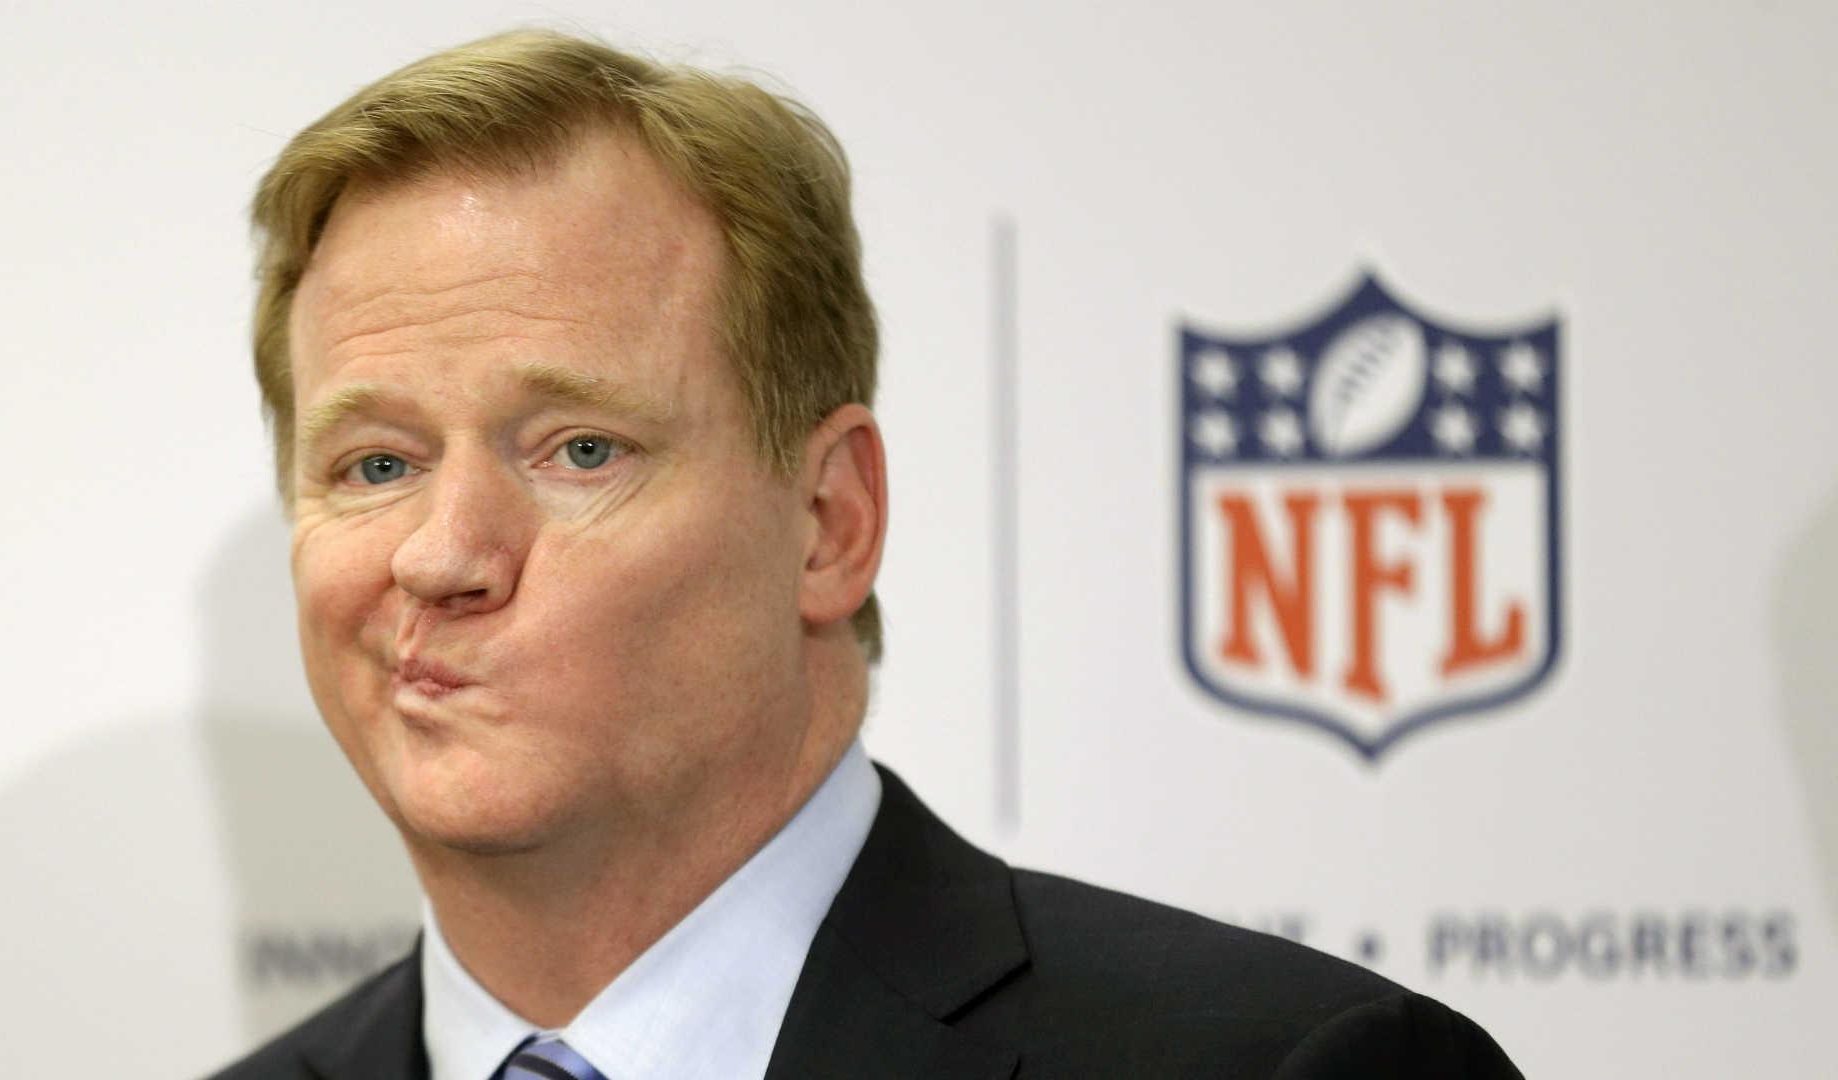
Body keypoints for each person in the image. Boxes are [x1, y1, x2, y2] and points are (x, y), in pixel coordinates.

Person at [210, 29, 1522, 1080]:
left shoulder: (1295, 1067)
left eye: (579, 449)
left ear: (830, 522)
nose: (443, 556)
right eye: (374, 465)